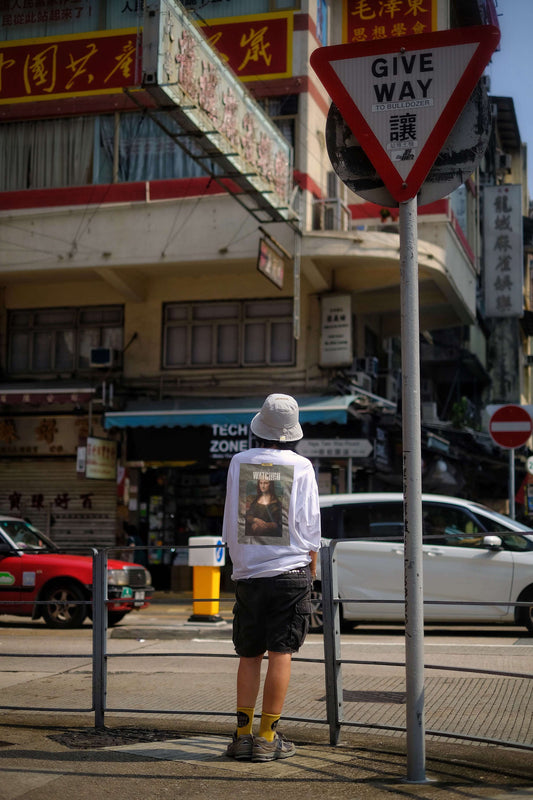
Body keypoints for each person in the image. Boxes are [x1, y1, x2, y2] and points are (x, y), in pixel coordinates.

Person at [222, 393, 321, 762]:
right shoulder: (302, 466)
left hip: (248, 574)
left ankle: (242, 737)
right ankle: (267, 738)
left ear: (259, 427)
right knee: (281, 653)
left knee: (249, 655)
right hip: (291, 572)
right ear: (291, 432)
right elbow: (310, 525)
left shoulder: (238, 462)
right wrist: (312, 567)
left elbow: (230, 517)